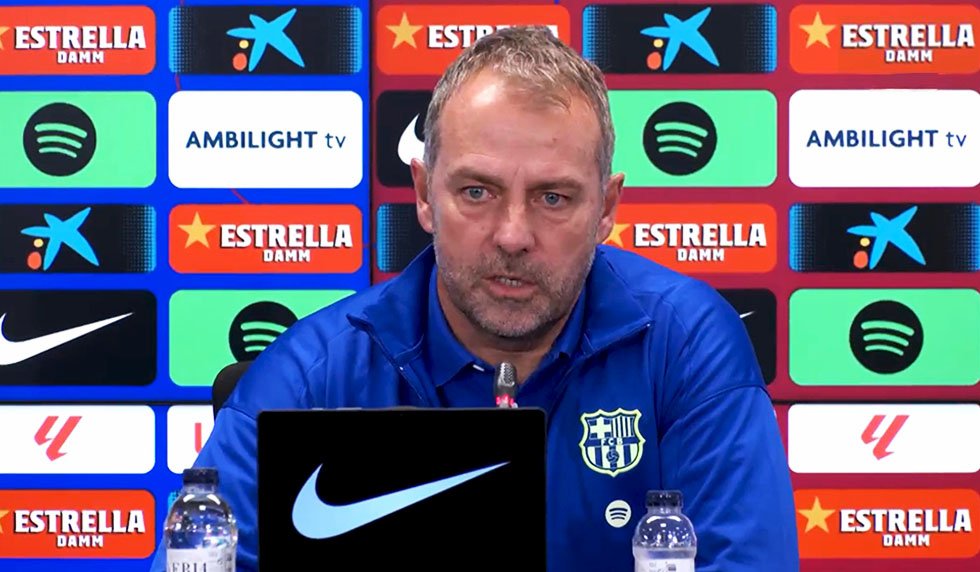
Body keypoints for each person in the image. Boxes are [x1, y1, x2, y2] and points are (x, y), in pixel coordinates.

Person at [150, 25, 799, 571]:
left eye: (553, 197)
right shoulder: (313, 373)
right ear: (424, 194)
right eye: (477, 193)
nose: (513, 236)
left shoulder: (685, 343)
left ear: (606, 208)